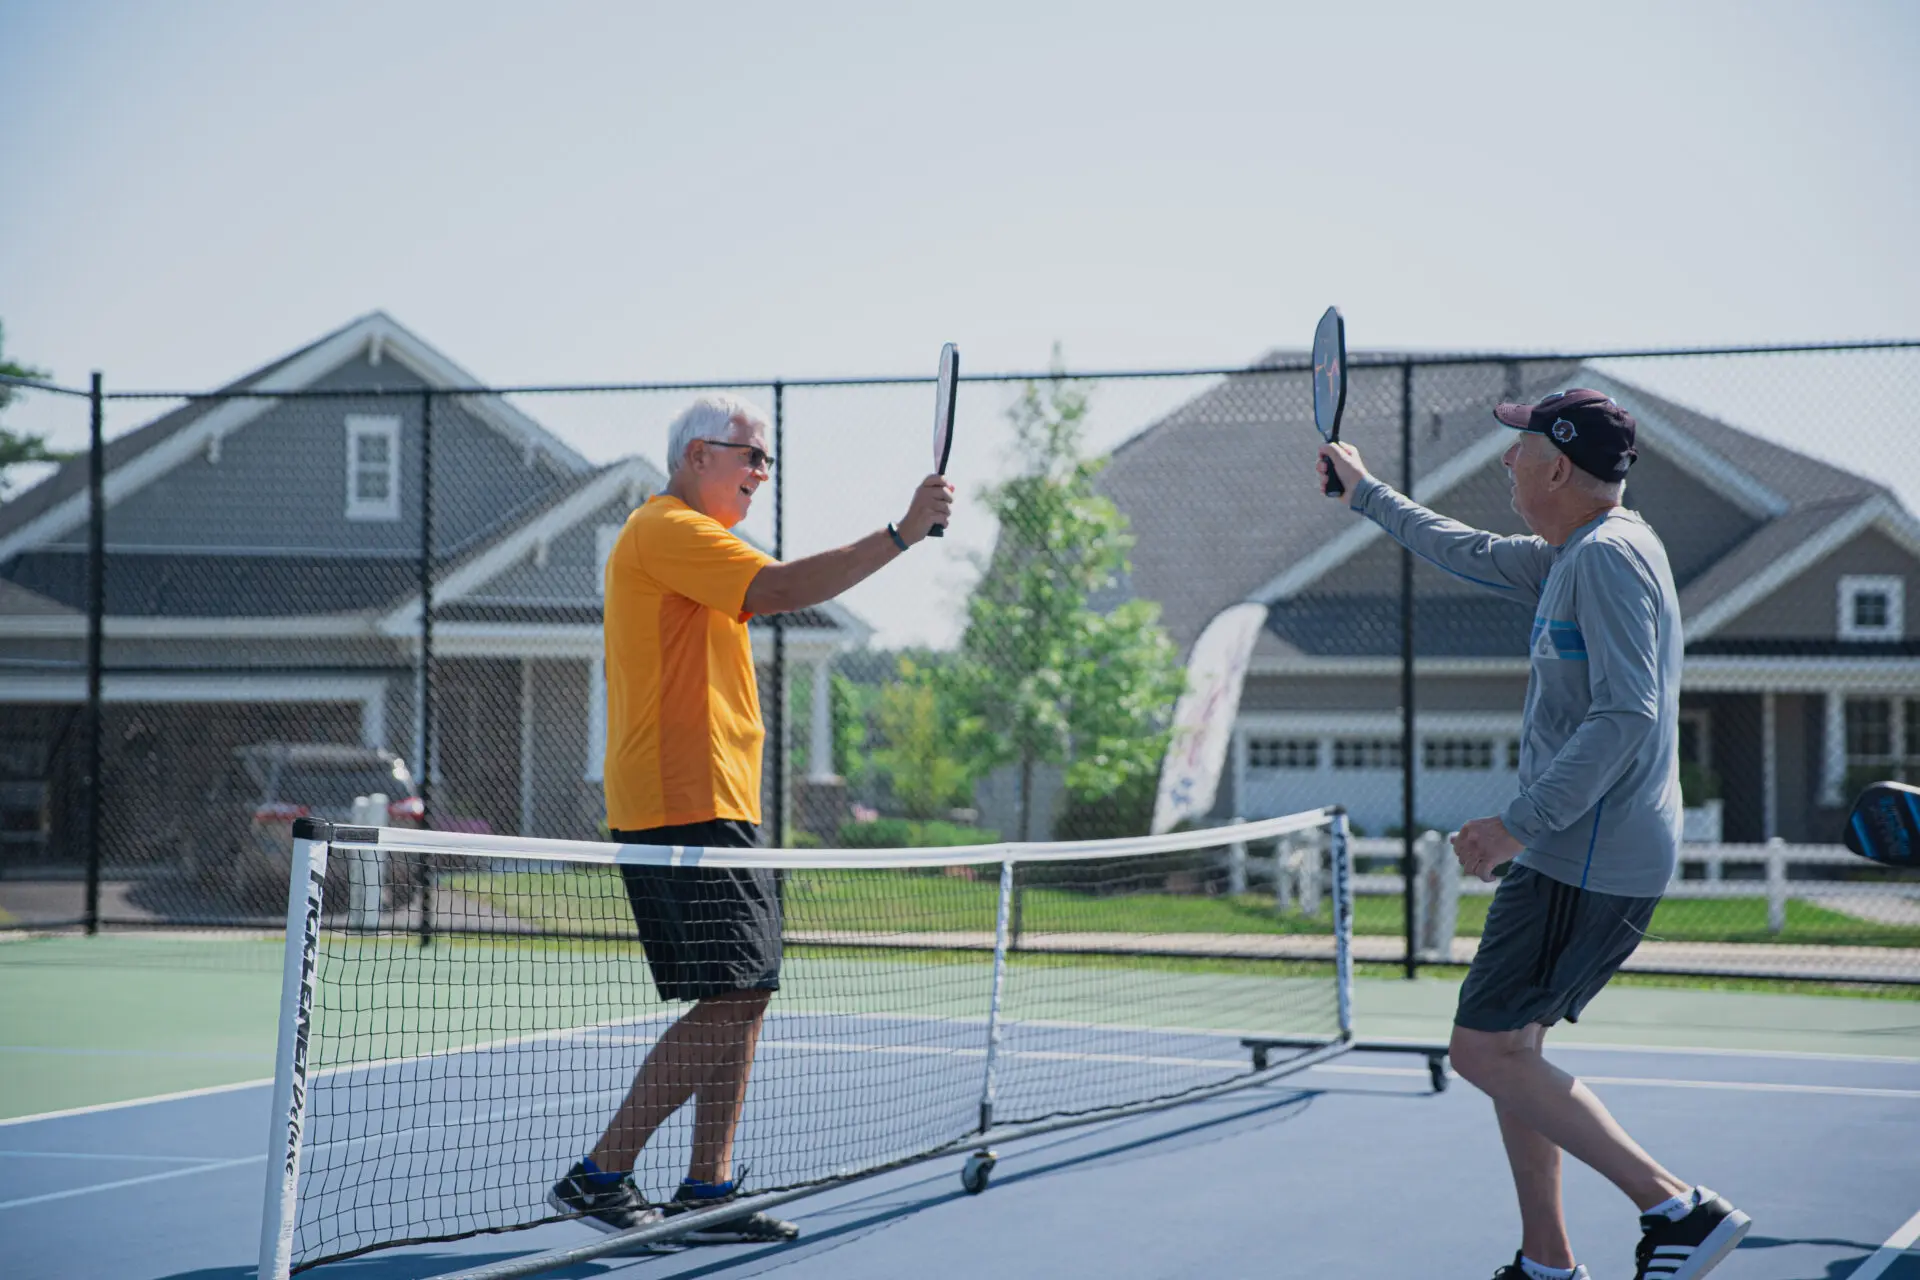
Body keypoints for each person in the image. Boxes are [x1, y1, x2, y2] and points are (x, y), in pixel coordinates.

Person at [1317, 390, 1750, 1280]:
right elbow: (1464, 549)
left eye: (1520, 448)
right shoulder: (1574, 554)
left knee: (1482, 1050)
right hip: (1581, 853)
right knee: (1513, 1051)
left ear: (1558, 467)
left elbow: (1624, 714)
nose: (1506, 461)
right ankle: (1548, 1262)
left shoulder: (1608, 559)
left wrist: (1517, 825)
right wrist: (1365, 493)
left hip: (1583, 857)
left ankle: (1678, 1208)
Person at [550, 392, 953, 1245]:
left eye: (769, 460)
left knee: (748, 989)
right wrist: (901, 533)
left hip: (718, 803)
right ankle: (601, 1174)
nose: (763, 473)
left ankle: (707, 1189)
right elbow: (780, 588)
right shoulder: (666, 528)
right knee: (736, 990)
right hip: (681, 804)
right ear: (697, 456)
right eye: (751, 456)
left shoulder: (697, 540)